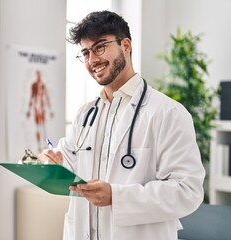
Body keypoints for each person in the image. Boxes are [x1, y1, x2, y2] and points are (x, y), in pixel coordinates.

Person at [38, 10, 205, 240]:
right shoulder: (86, 114)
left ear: (125, 45)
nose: (91, 60)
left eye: (100, 47)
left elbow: (188, 192)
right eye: (85, 52)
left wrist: (116, 197)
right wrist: (54, 162)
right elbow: (69, 159)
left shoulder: (168, 113)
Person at [26, 70, 54, 152]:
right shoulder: (34, 85)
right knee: (38, 127)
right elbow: (31, 97)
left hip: (42, 108)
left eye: (39, 75)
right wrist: (29, 110)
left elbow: (47, 97)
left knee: (44, 127)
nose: (39, 77)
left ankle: (45, 145)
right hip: (36, 108)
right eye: (37, 75)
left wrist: (50, 110)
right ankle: (39, 146)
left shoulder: (43, 85)